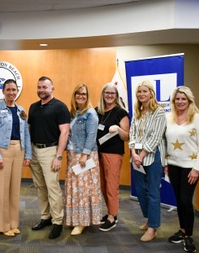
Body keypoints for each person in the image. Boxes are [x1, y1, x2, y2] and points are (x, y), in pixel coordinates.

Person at [165, 86, 199, 253]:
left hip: (191, 167)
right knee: (179, 200)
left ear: (189, 101)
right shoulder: (169, 118)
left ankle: (189, 235)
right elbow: (166, 142)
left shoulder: (197, 119)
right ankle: (182, 230)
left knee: (185, 200)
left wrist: (197, 169)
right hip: (174, 166)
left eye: (183, 99)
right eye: (177, 99)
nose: (180, 102)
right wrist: (167, 163)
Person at [28, 76, 70, 239]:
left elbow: (64, 132)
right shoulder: (33, 107)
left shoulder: (60, 107)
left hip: (51, 151)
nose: (41, 90)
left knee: (52, 187)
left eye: (44, 87)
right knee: (40, 186)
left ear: (52, 88)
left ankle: (58, 221)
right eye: (39, 87)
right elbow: (29, 129)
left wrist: (58, 156)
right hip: (34, 150)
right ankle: (46, 217)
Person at [0, 79, 31, 237]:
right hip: (3, 151)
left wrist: (28, 154)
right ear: (3, 91)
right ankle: (2, 225)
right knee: (2, 190)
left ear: (17, 90)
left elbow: (26, 133)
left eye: (14, 89)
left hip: (18, 150)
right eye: (8, 90)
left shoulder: (21, 110)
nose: (11, 92)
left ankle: (13, 223)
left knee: (14, 190)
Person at [129, 80, 166, 242]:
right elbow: (132, 134)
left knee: (153, 192)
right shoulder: (137, 111)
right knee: (141, 191)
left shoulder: (158, 112)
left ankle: (153, 228)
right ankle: (149, 219)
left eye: (145, 91)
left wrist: (142, 154)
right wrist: (133, 152)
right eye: (139, 91)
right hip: (136, 157)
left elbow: (156, 137)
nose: (141, 94)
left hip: (153, 156)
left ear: (151, 93)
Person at [64, 84, 102, 236]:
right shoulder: (74, 113)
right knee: (74, 188)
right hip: (73, 154)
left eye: (84, 94)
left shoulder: (90, 113)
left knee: (83, 189)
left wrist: (85, 155)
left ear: (88, 96)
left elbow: (91, 136)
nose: (81, 96)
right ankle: (75, 218)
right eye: (78, 93)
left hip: (84, 156)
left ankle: (82, 222)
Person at [95, 83, 130, 232]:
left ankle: (112, 217)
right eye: (107, 93)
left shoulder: (120, 112)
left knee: (111, 185)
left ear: (116, 96)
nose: (109, 95)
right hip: (97, 152)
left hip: (113, 153)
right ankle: (110, 212)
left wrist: (118, 129)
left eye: (112, 93)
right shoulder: (97, 111)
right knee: (102, 185)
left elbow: (127, 136)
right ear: (103, 94)